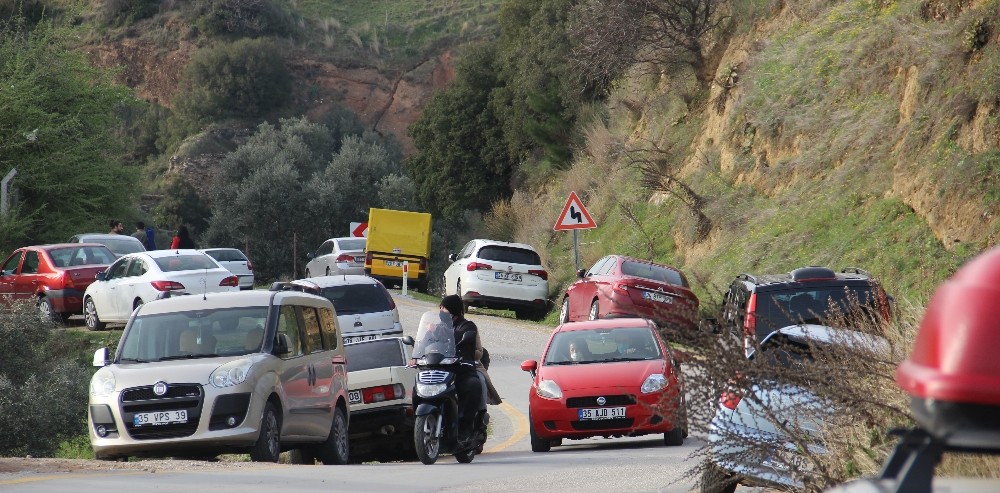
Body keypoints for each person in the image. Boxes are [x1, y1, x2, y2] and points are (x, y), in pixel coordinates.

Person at [439, 295, 501, 446]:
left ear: (453, 310)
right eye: (440, 308)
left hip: (467, 364)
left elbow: (478, 352)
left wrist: (461, 350)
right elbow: (426, 344)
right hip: (443, 367)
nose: (441, 311)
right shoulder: (438, 327)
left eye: (444, 308)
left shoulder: (467, 326)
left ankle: (477, 420)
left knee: (476, 382)